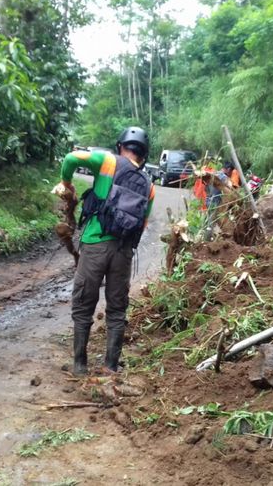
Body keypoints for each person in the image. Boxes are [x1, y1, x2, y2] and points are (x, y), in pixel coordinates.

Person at [58, 126, 155, 375]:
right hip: (123, 252)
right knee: (117, 308)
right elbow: (142, 224)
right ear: (143, 154)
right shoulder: (149, 185)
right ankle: (110, 366)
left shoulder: (109, 161)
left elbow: (70, 158)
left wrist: (66, 183)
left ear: (120, 145)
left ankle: (80, 365)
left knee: (83, 303)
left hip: (95, 245)